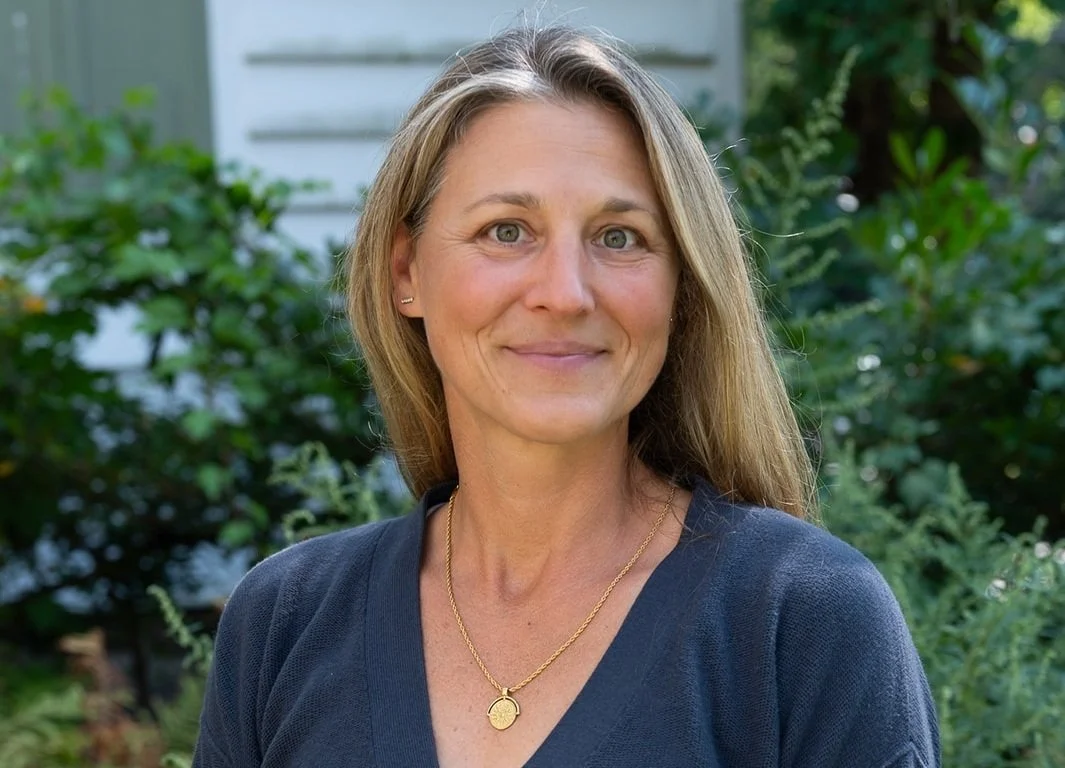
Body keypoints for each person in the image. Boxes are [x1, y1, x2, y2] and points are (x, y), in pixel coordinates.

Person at [193, 24, 940, 768]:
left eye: (618, 238)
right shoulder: (282, 625)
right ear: (405, 272)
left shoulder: (802, 619)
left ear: (680, 284)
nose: (564, 293)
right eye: (506, 230)